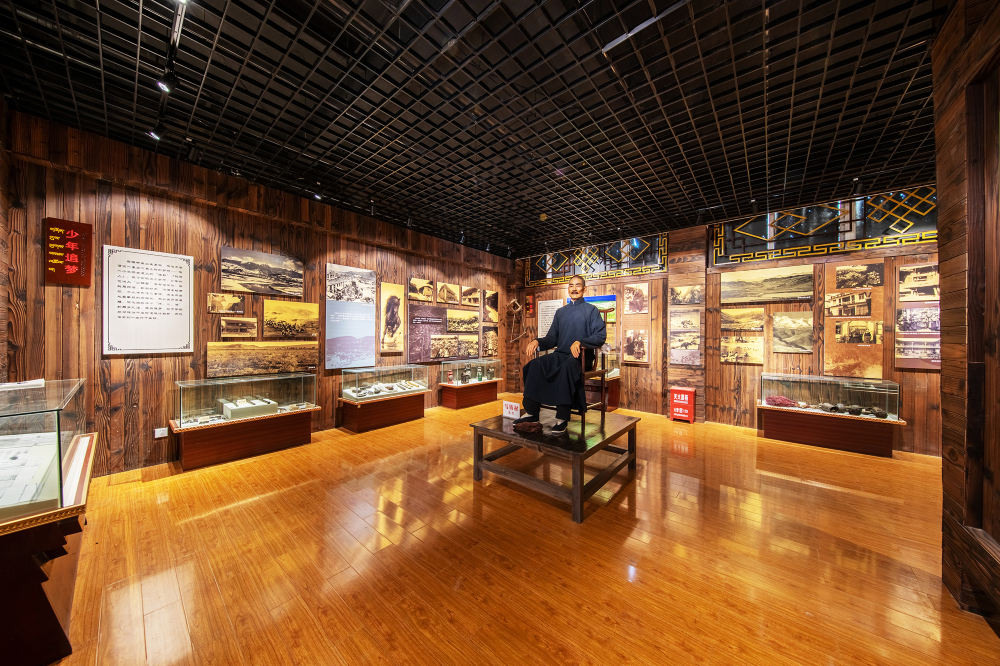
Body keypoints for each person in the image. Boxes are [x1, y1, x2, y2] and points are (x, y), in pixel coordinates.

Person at [514, 276, 607, 434]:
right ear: (568, 289)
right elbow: (552, 339)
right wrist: (537, 341)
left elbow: (600, 336)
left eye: (578, 285)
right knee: (534, 365)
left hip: (581, 356)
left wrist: (581, 342)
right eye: (571, 286)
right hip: (561, 353)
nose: (574, 289)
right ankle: (532, 413)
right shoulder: (561, 312)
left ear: (584, 289)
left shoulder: (592, 310)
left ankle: (562, 417)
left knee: (566, 367)